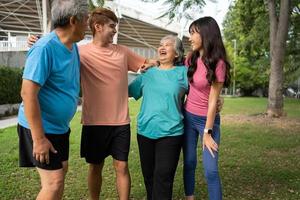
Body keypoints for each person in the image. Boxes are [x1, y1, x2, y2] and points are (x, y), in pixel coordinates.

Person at [79, 8, 158, 200]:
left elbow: (150, 63)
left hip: (120, 122)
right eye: (112, 26)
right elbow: (58, 51)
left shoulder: (122, 52)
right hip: (94, 122)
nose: (115, 31)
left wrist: (166, 60)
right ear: (98, 27)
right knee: (95, 166)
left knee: (121, 166)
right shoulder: (80, 52)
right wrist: (37, 42)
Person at [17, 0, 88, 200]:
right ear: (74, 20)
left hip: (59, 128)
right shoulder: (44, 48)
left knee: (61, 172)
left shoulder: (72, 46)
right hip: (40, 127)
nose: (88, 24)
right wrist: (39, 140)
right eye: (86, 19)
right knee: (54, 181)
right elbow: (27, 93)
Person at [128, 35, 188, 200]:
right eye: (160, 45)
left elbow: (200, 93)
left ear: (177, 54)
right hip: (145, 131)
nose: (162, 47)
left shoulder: (184, 73)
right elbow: (126, 91)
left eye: (168, 45)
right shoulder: (148, 74)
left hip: (171, 132)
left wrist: (217, 99)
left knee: (163, 177)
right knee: (149, 177)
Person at [183, 17, 231, 200]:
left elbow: (213, 101)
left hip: (207, 121)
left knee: (210, 170)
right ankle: (190, 197)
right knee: (189, 162)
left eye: (193, 33)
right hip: (188, 117)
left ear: (206, 34)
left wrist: (208, 132)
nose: (190, 37)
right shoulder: (191, 59)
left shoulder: (218, 63)